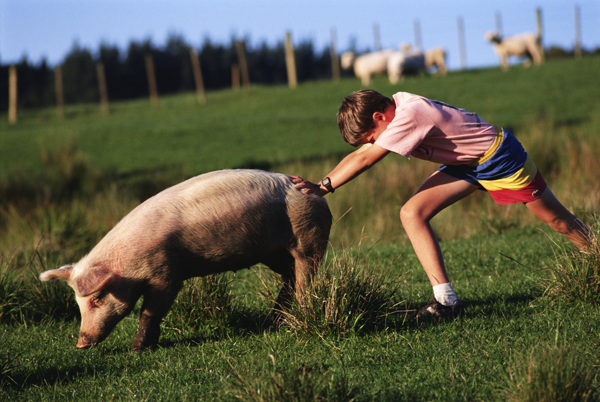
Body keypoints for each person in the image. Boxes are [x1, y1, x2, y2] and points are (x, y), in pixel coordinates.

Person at [292, 89, 592, 318]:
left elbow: (365, 158)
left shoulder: (409, 115)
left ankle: (594, 256)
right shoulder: (397, 106)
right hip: (466, 164)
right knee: (412, 212)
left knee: (559, 222)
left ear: (378, 118)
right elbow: (362, 152)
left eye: (372, 137)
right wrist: (322, 185)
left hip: (499, 157)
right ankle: (446, 301)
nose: (374, 143)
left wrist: (322, 187)